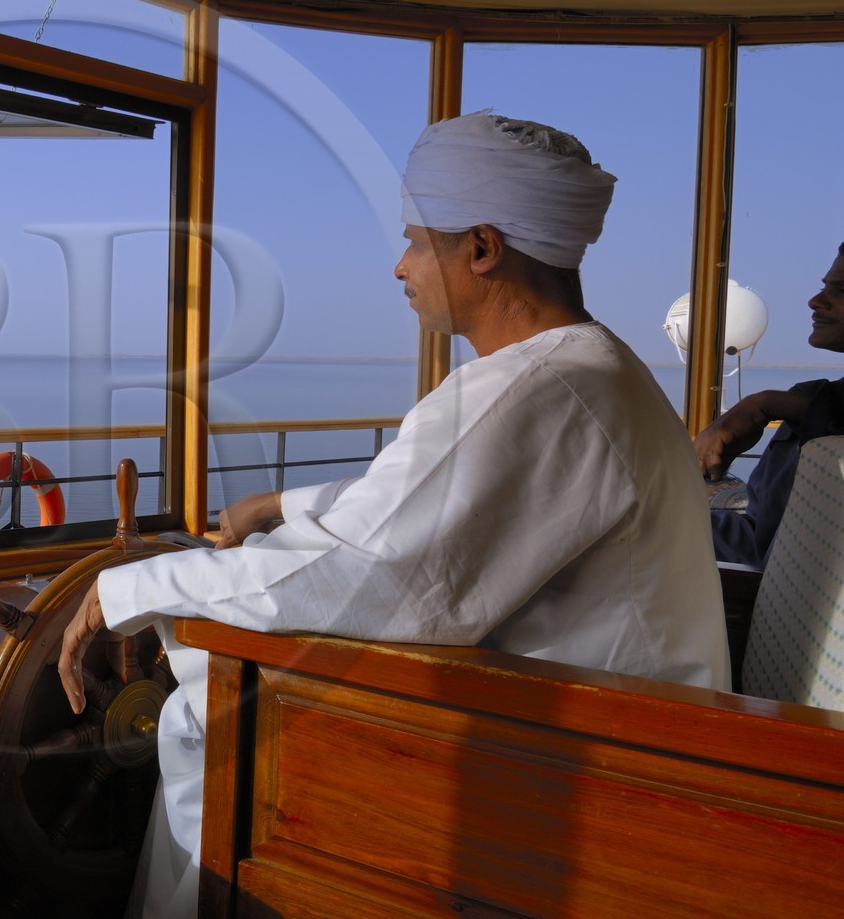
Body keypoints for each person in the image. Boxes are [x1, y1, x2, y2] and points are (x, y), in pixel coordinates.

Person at [56, 111, 731, 919]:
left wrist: (136, 589)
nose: (400, 266)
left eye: (417, 241)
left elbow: (367, 577)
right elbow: (428, 511)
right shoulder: (594, 368)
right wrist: (275, 505)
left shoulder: (531, 393)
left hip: (596, 778)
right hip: (631, 741)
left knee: (219, 728)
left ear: (481, 249)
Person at [696, 244, 844, 568]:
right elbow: (759, 537)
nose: (815, 301)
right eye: (824, 286)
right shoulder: (808, 401)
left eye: (840, 290)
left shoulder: (801, 409)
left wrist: (759, 405)